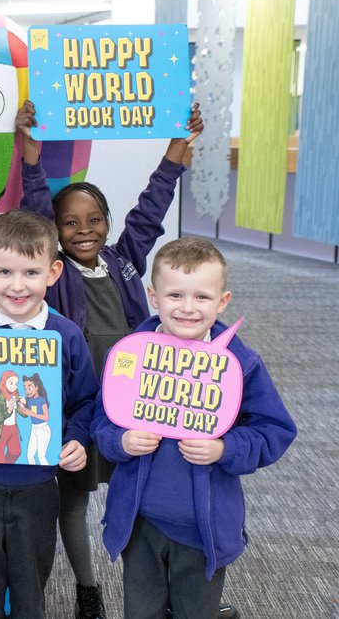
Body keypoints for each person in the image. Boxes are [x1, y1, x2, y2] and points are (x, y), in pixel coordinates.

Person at [17, 99, 205, 619]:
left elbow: (152, 206)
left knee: (142, 494)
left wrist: (176, 149)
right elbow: (35, 205)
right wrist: (30, 155)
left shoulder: (123, 262)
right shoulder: (54, 272)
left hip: (132, 411)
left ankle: (162, 586)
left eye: (94, 219)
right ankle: (87, 587)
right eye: (70, 222)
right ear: (54, 231)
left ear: (107, 222)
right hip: (80, 411)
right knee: (74, 503)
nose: (84, 230)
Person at [92, 237, 296, 619]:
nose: (187, 308)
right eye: (175, 296)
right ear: (154, 296)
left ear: (222, 302)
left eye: (202, 297)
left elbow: (276, 430)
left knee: (196, 612)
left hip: (204, 528)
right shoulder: (130, 354)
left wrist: (225, 448)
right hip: (140, 521)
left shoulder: (241, 363)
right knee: (141, 612)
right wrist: (121, 440)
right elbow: (101, 421)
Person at [0, 209, 98, 619]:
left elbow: (86, 401)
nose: (17, 286)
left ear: (53, 272)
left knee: (30, 590)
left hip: (37, 486)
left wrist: (77, 438)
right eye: (4, 272)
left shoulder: (66, 335)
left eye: (31, 273)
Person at [0, 370, 23, 464]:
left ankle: (6, 466)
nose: (14, 386)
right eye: (11, 382)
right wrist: (9, 410)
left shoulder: (16, 396)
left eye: (16, 383)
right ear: (4, 382)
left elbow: (24, 414)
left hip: (13, 428)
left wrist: (23, 406)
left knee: (16, 452)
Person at [19, 373, 51, 465]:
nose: (27, 391)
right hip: (34, 429)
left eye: (30, 387)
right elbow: (27, 412)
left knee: (41, 456)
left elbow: (46, 417)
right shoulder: (29, 400)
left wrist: (32, 413)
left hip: (43, 429)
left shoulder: (41, 400)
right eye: (25, 388)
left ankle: (46, 473)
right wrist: (22, 407)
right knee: (29, 455)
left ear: (37, 387)